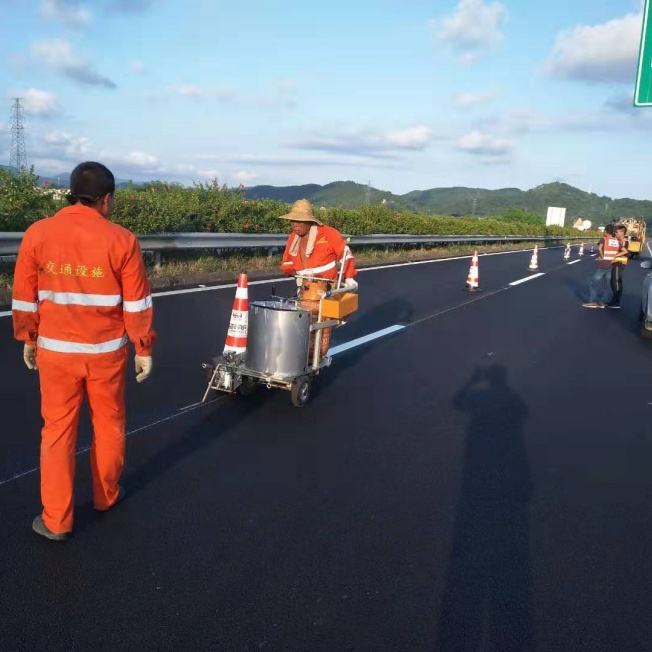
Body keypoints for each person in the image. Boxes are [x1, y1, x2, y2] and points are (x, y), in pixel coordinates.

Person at [12, 161, 156, 541]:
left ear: (72, 194)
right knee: (109, 424)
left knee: (57, 431)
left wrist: (29, 338)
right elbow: (137, 304)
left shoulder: (37, 234)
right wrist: (143, 347)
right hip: (106, 354)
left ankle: (57, 520)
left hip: (56, 354)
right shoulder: (122, 240)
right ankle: (106, 496)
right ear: (105, 199)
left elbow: (24, 298)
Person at [279, 199, 357, 355]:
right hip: (304, 290)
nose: (295, 225)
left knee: (321, 329)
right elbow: (287, 261)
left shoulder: (328, 233)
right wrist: (291, 272)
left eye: (299, 221)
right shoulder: (293, 238)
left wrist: (349, 277)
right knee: (300, 327)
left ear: (309, 221)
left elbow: (345, 255)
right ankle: (300, 357)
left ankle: (316, 357)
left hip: (324, 289)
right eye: (293, 221)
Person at [582, 224, 627, 309]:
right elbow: (625, 251)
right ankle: (602, 302)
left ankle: (593, 301)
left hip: (602, 265)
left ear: (606, 231)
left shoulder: (604, 239)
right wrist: (615, 256)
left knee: (593, 283)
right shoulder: (616, 241)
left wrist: (602, 256)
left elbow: (599, 248)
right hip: (611, 265)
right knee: (607, 285)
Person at [607, 224, 629, 309]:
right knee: (613, 282)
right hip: (616, 263)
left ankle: (616, 302)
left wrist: (614, 256)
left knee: (615, 282)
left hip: (619, 263)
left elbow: (625, 251)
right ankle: (614, 300)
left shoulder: (624, 241)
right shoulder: (618, 240)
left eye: (617, 232)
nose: (615, 233)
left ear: (622, 232)